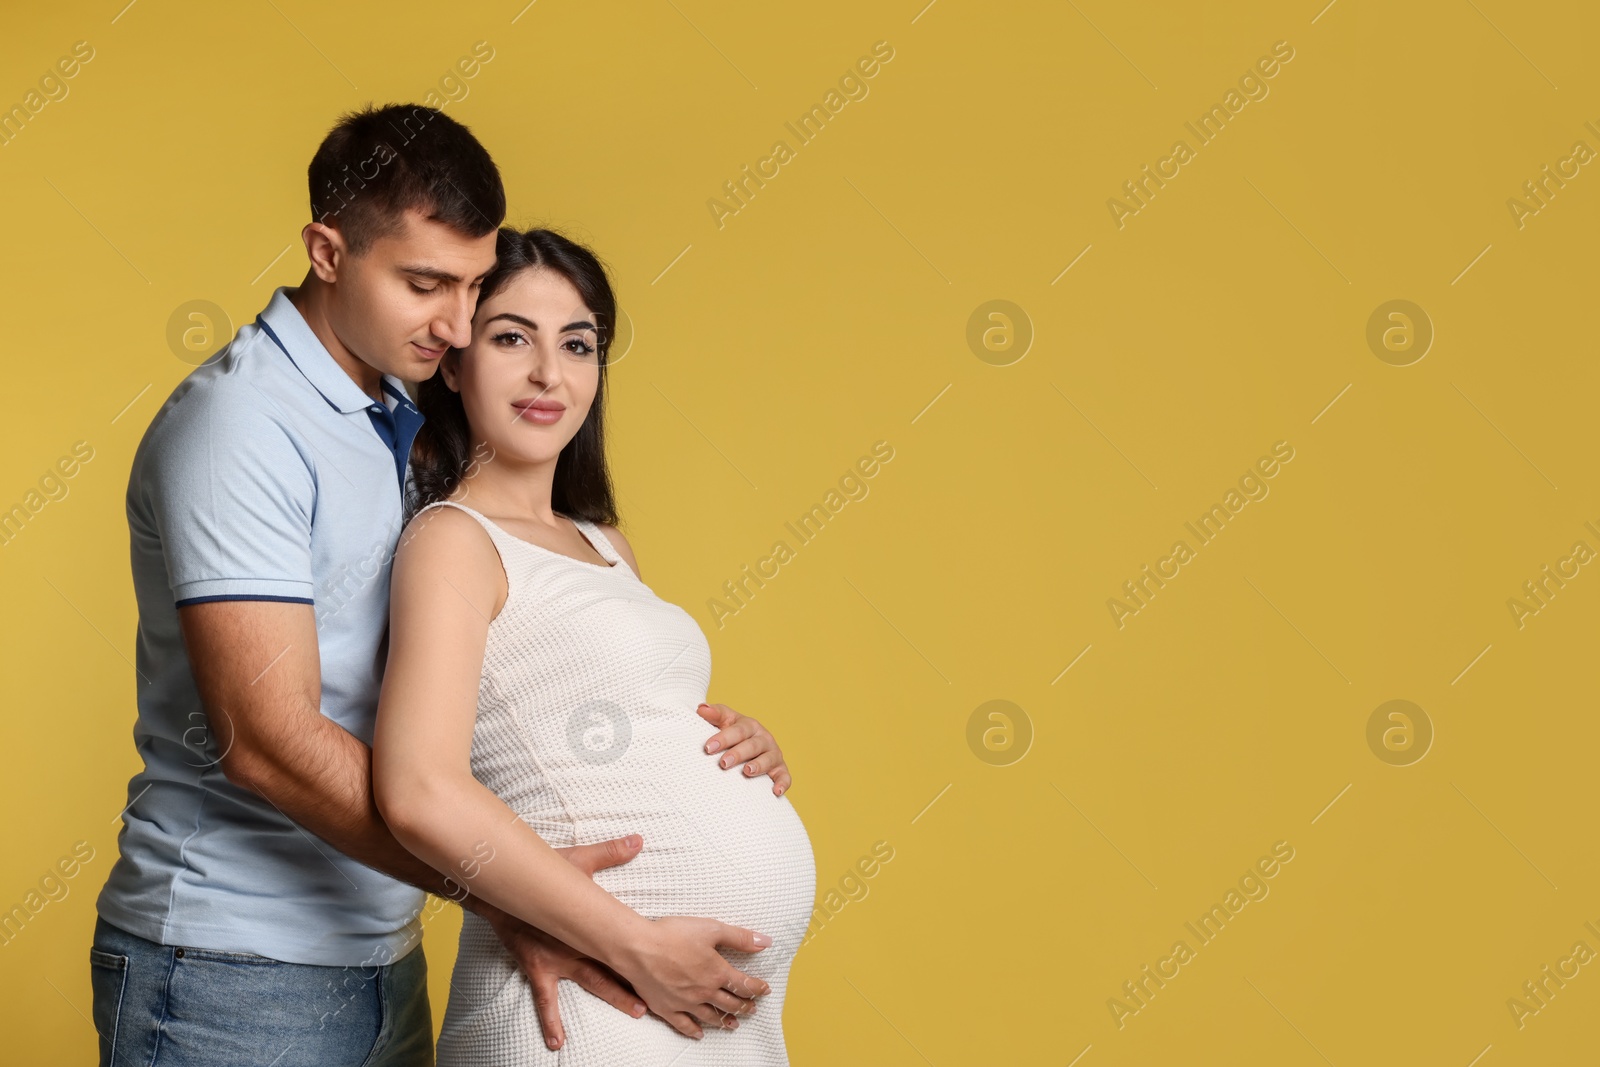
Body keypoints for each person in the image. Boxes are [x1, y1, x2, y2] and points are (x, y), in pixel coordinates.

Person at [90, 102, 789, 1066]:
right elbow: (267, 742)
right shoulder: (242, 426)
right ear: (326, 252)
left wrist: (699, 739)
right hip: (231, 965)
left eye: (472, 286)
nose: (458, 324)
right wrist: (522, 896)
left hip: (379, 950)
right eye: (427, 284)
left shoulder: (395, 411)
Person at [370, 226, 816, 1065]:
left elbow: (612, 719)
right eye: (512, 338)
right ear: (455, 361)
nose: (550, 374)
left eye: (578, 344)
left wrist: (726, 744)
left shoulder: (601, 541)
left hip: (698, 1008)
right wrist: (635, 945)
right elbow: (419, 787)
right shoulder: (452, 541)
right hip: (595, 999)